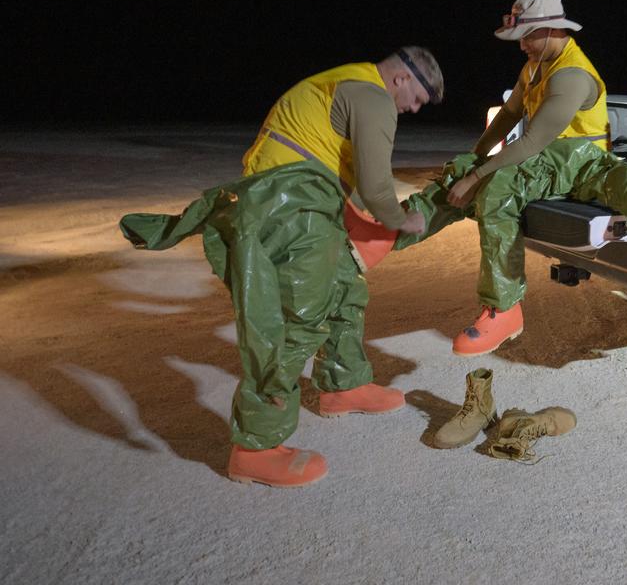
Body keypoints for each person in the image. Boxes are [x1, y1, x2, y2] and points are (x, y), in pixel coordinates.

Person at [119, 47, 444, 487]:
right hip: (291, 207)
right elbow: (375, 182)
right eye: (419, 99)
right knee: (298, 319)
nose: (414, 109)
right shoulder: (374, 97)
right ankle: (256, 447)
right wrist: (402, 219)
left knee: (345, 287)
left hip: (292, 199)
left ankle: (342, 384)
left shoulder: (343, 80)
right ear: (403, 79)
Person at [395, 0, 627, 356]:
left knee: (497, 190)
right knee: (460, 171)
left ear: (551, 30)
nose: (520, 44)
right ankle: (387, 234)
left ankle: (504, 310)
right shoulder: (534, 66)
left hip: (578, 162)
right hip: (548, 157)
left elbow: (535, 139)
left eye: (526, 36)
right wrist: (472, 161)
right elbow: (508, 116)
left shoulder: (571, 75)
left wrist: (478, 179)